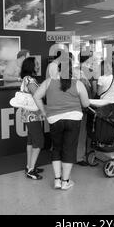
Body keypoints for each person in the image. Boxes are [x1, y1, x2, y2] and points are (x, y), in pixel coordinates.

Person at [33, 57, 90, 190]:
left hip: (54, 119)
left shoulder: (48, 82)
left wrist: (44, 111)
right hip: (74, 119)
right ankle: (66, 181)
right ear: (71, 69)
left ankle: (57, 180)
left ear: (58, 69)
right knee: (69, 149)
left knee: (57, 148)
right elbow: (86, 103)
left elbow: (36, 96)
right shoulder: (78, 83)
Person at [20, 57, 45, 180]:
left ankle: (30, 165)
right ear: (30, 66)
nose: (38, 66)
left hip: (28, 115)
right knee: (39, 141)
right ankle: (31, 170)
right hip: (33, 115)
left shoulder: (26, 79)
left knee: (31, 141)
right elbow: (37, 95)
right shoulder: (30, 79)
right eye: (36, 64)